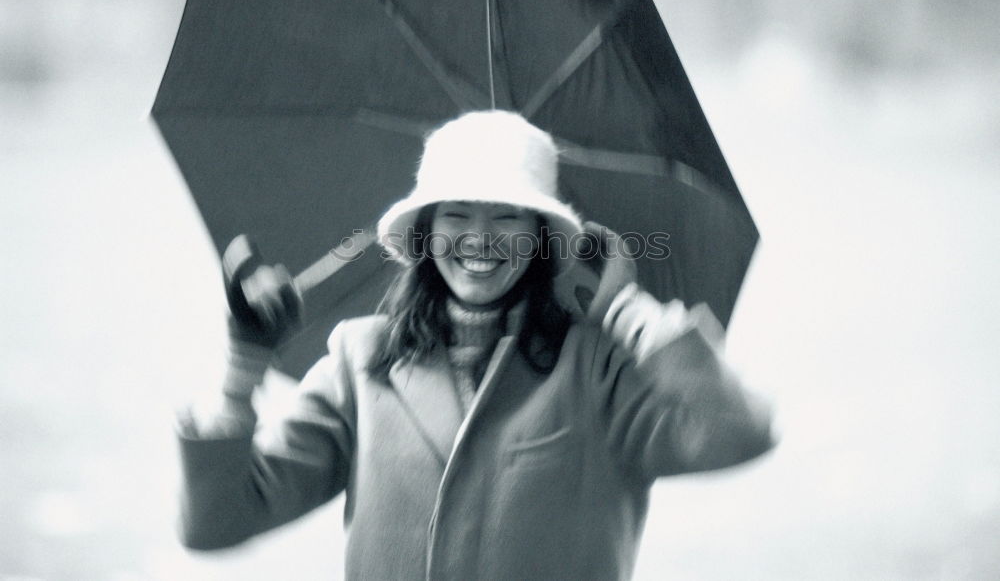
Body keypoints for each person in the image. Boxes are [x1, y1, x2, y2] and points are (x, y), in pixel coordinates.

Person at [176, 110, 775, 580]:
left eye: (508, 218)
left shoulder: (596, 368)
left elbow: (739, 434)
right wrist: (244, 370)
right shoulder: (363, 361)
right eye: (457, 213)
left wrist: (626, 310)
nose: (479, 240)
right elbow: (216, 523)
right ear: (426, 230)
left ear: (543, 238)